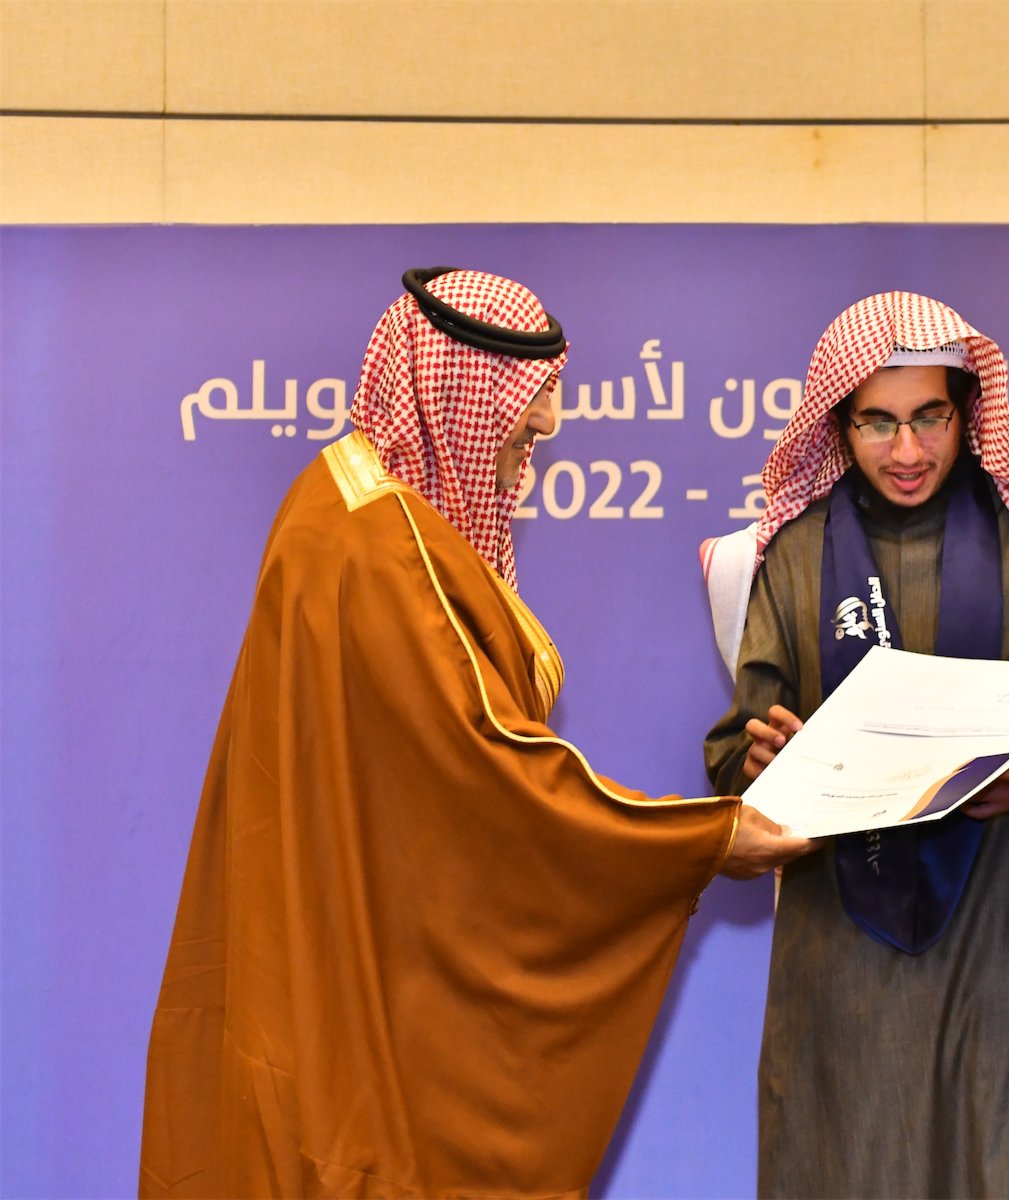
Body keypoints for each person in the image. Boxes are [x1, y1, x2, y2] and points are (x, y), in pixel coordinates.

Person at [139, 268, 814, 1199]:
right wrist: (702, 838)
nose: (531, 449)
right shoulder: (377, 549)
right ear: (453, 400)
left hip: (340, 954)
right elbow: (489, 772)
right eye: (521, 427)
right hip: (352, 999)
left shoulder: (335, 507)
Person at [700, 290, 1009, 1197]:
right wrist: (760, 765)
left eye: (929, 417)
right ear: (839, 425)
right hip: (843, 963)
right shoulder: (791, 554)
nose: (908, 451)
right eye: (877, 424)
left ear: (968, 412)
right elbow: (738, 756)